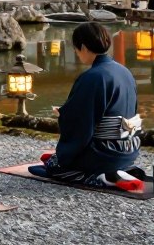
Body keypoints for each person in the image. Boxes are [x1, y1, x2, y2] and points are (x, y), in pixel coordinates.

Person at [29, 22, 143, 190]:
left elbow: (80, 124)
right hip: (130, 148)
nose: (76, 53)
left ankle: (102, 176)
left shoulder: (93, 77)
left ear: (83, 47)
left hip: (104, 153)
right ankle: (119, 170)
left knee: (53, 166)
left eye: (76, 49)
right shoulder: (124, 71)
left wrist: (64, 115)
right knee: (52, 159)